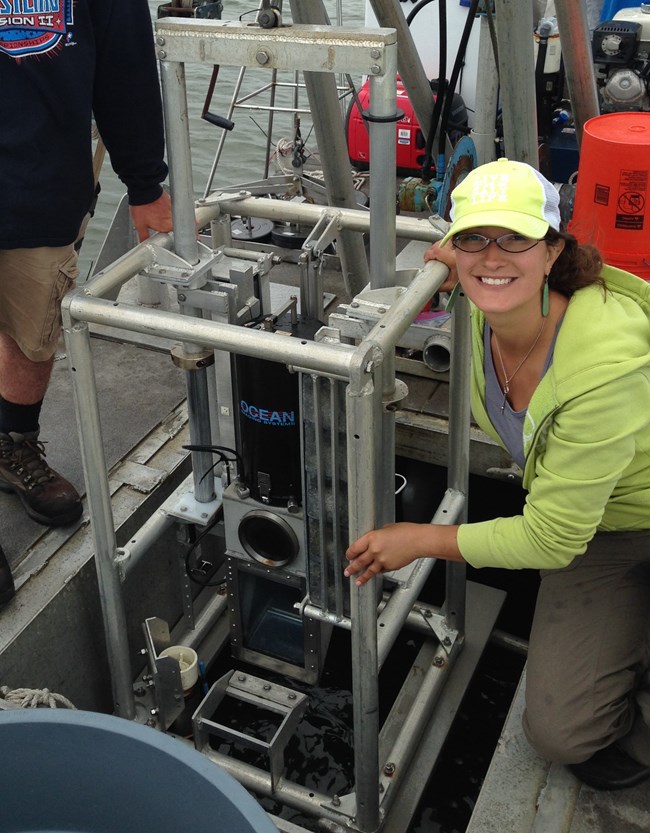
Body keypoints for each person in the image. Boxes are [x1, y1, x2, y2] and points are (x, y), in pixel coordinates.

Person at [345, 158, 650, 790]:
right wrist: (455, 260)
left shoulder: (605, 366)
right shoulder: (490, 305)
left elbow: (549, 540)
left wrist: (420, 538)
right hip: (604, 529)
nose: (494, 256)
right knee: (566, 734)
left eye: (516, 238)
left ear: (553, 251)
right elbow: (481, 264)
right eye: (475, 238)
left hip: (607, 524)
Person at [0, 0, 174, 607]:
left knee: (35, 328)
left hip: (39, 190)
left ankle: (13, 442)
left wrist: (146, 184)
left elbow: (124, 75)